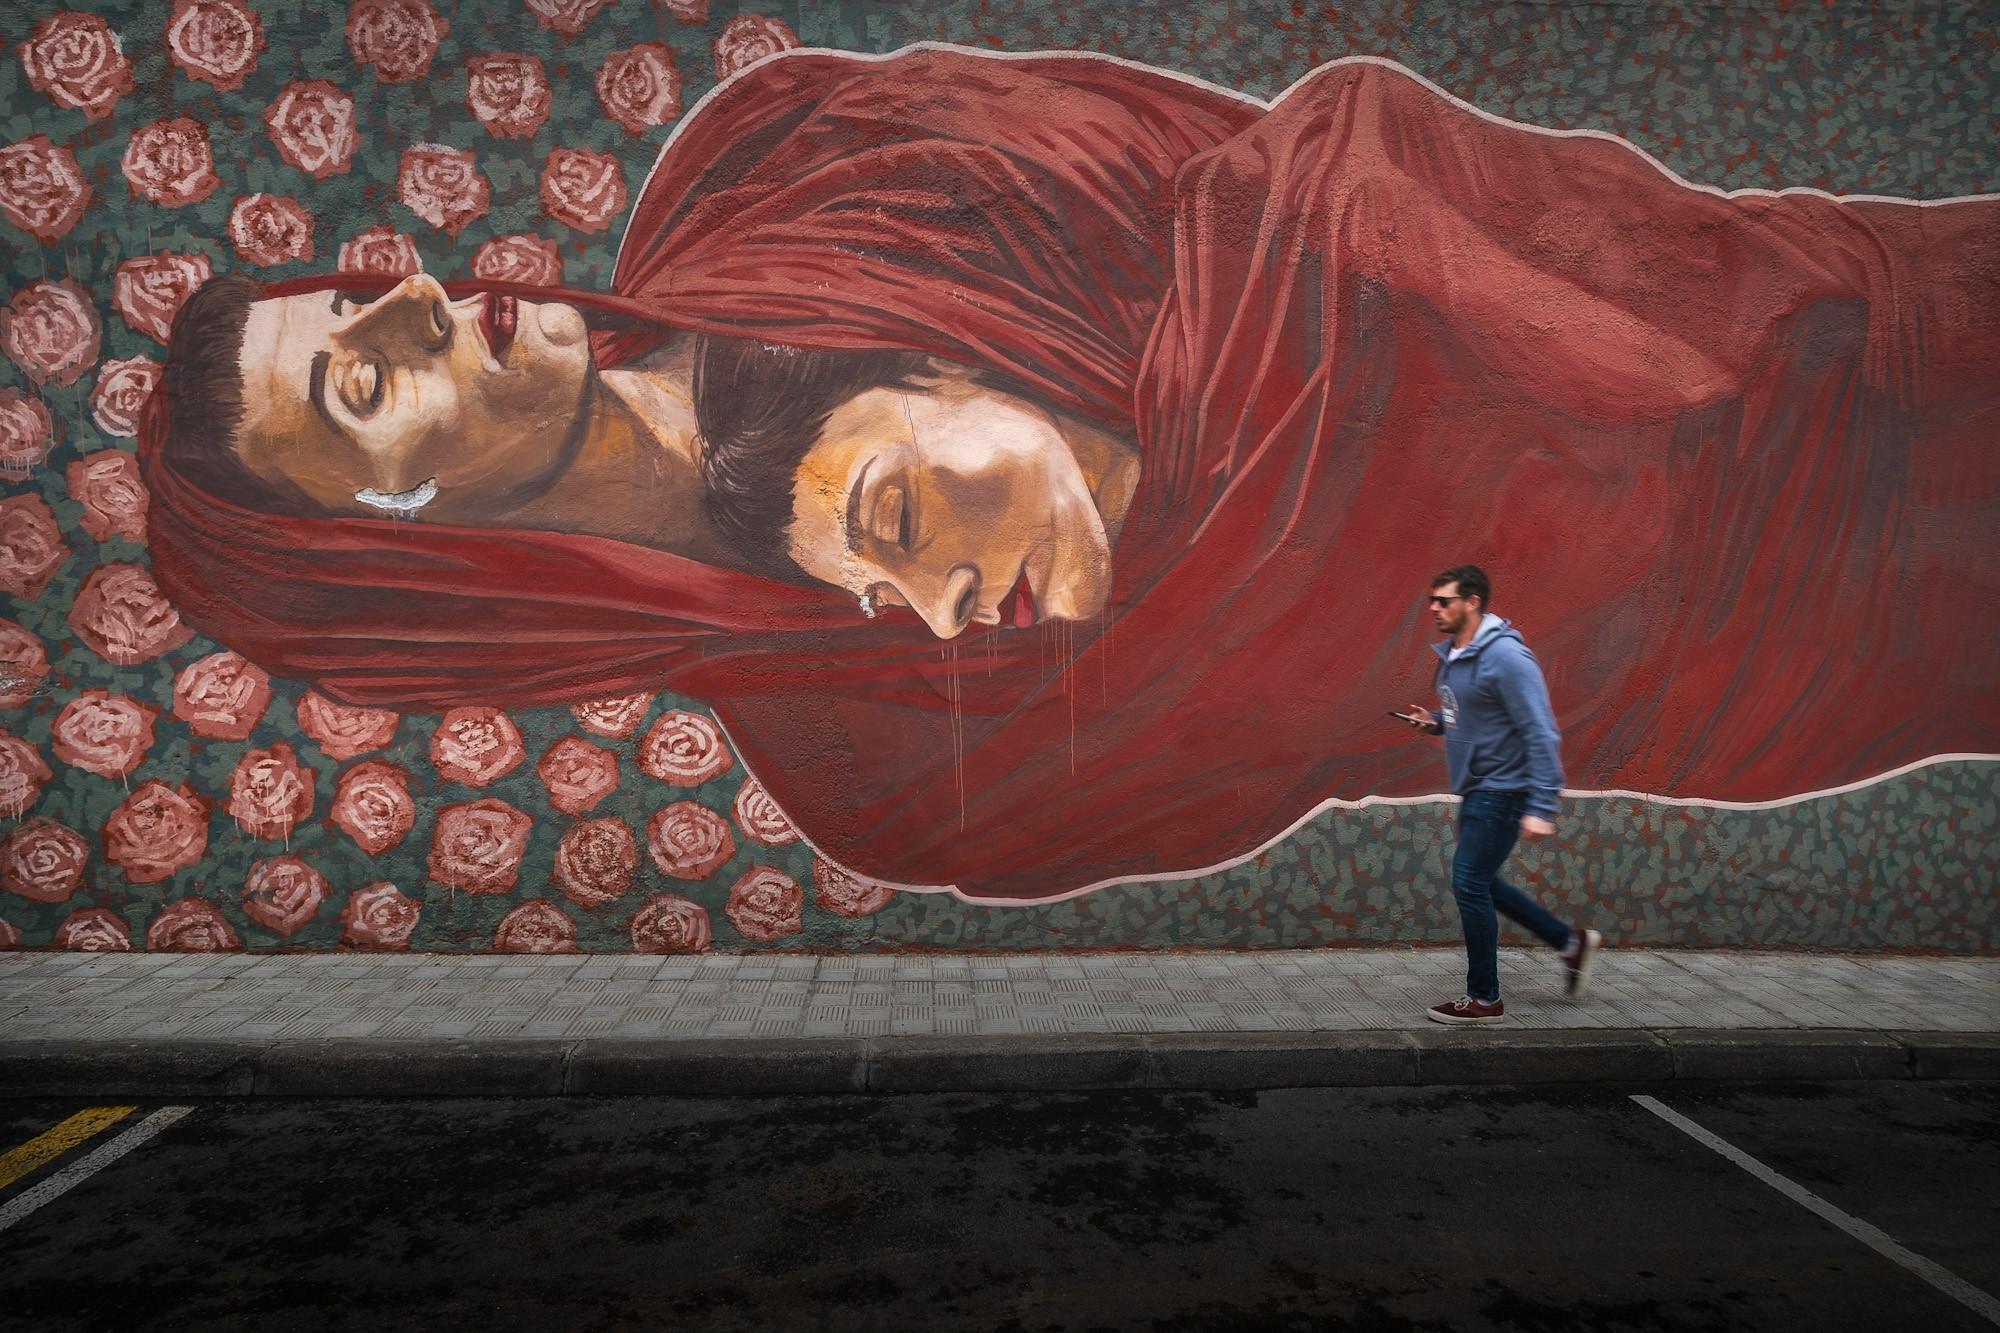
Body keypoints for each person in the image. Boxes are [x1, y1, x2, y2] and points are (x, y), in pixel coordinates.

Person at [141, 45, 2000, 901]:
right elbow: (1276, 738)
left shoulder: (778, 160)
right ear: (408, 556)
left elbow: (1271, 164)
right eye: (364, 386)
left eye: (370, 298)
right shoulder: (871, 775)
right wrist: (1156, 510)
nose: (433, 311)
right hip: (1744, 645)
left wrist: (1083, 441)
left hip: (1782, 325)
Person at [1401, 566, 1601, 1025]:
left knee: (1469, 882)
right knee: (1482, 882)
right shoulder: (1456, 654)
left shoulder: (1507, 657)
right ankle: (1570, 943)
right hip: (1476, 787)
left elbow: (1541, 731)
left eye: (1444, 600)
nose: (1434, 607)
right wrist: (1434, 720)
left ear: (1472, 602)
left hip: (1505, 790)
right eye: (1432, 599)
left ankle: (1485, 998)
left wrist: (1541, 806)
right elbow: (1470, 713)